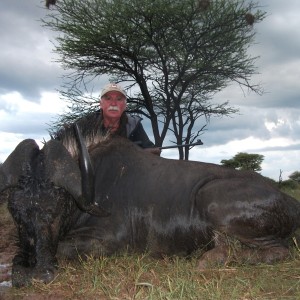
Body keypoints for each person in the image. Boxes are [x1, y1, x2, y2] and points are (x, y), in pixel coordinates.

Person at [98, 82, 161, 155]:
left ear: (125, 105)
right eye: (108, 99)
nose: (113, 104)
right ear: (100, 104)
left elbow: (150, 150)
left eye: (119, 99)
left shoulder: (134, 124)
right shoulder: (87, 124)